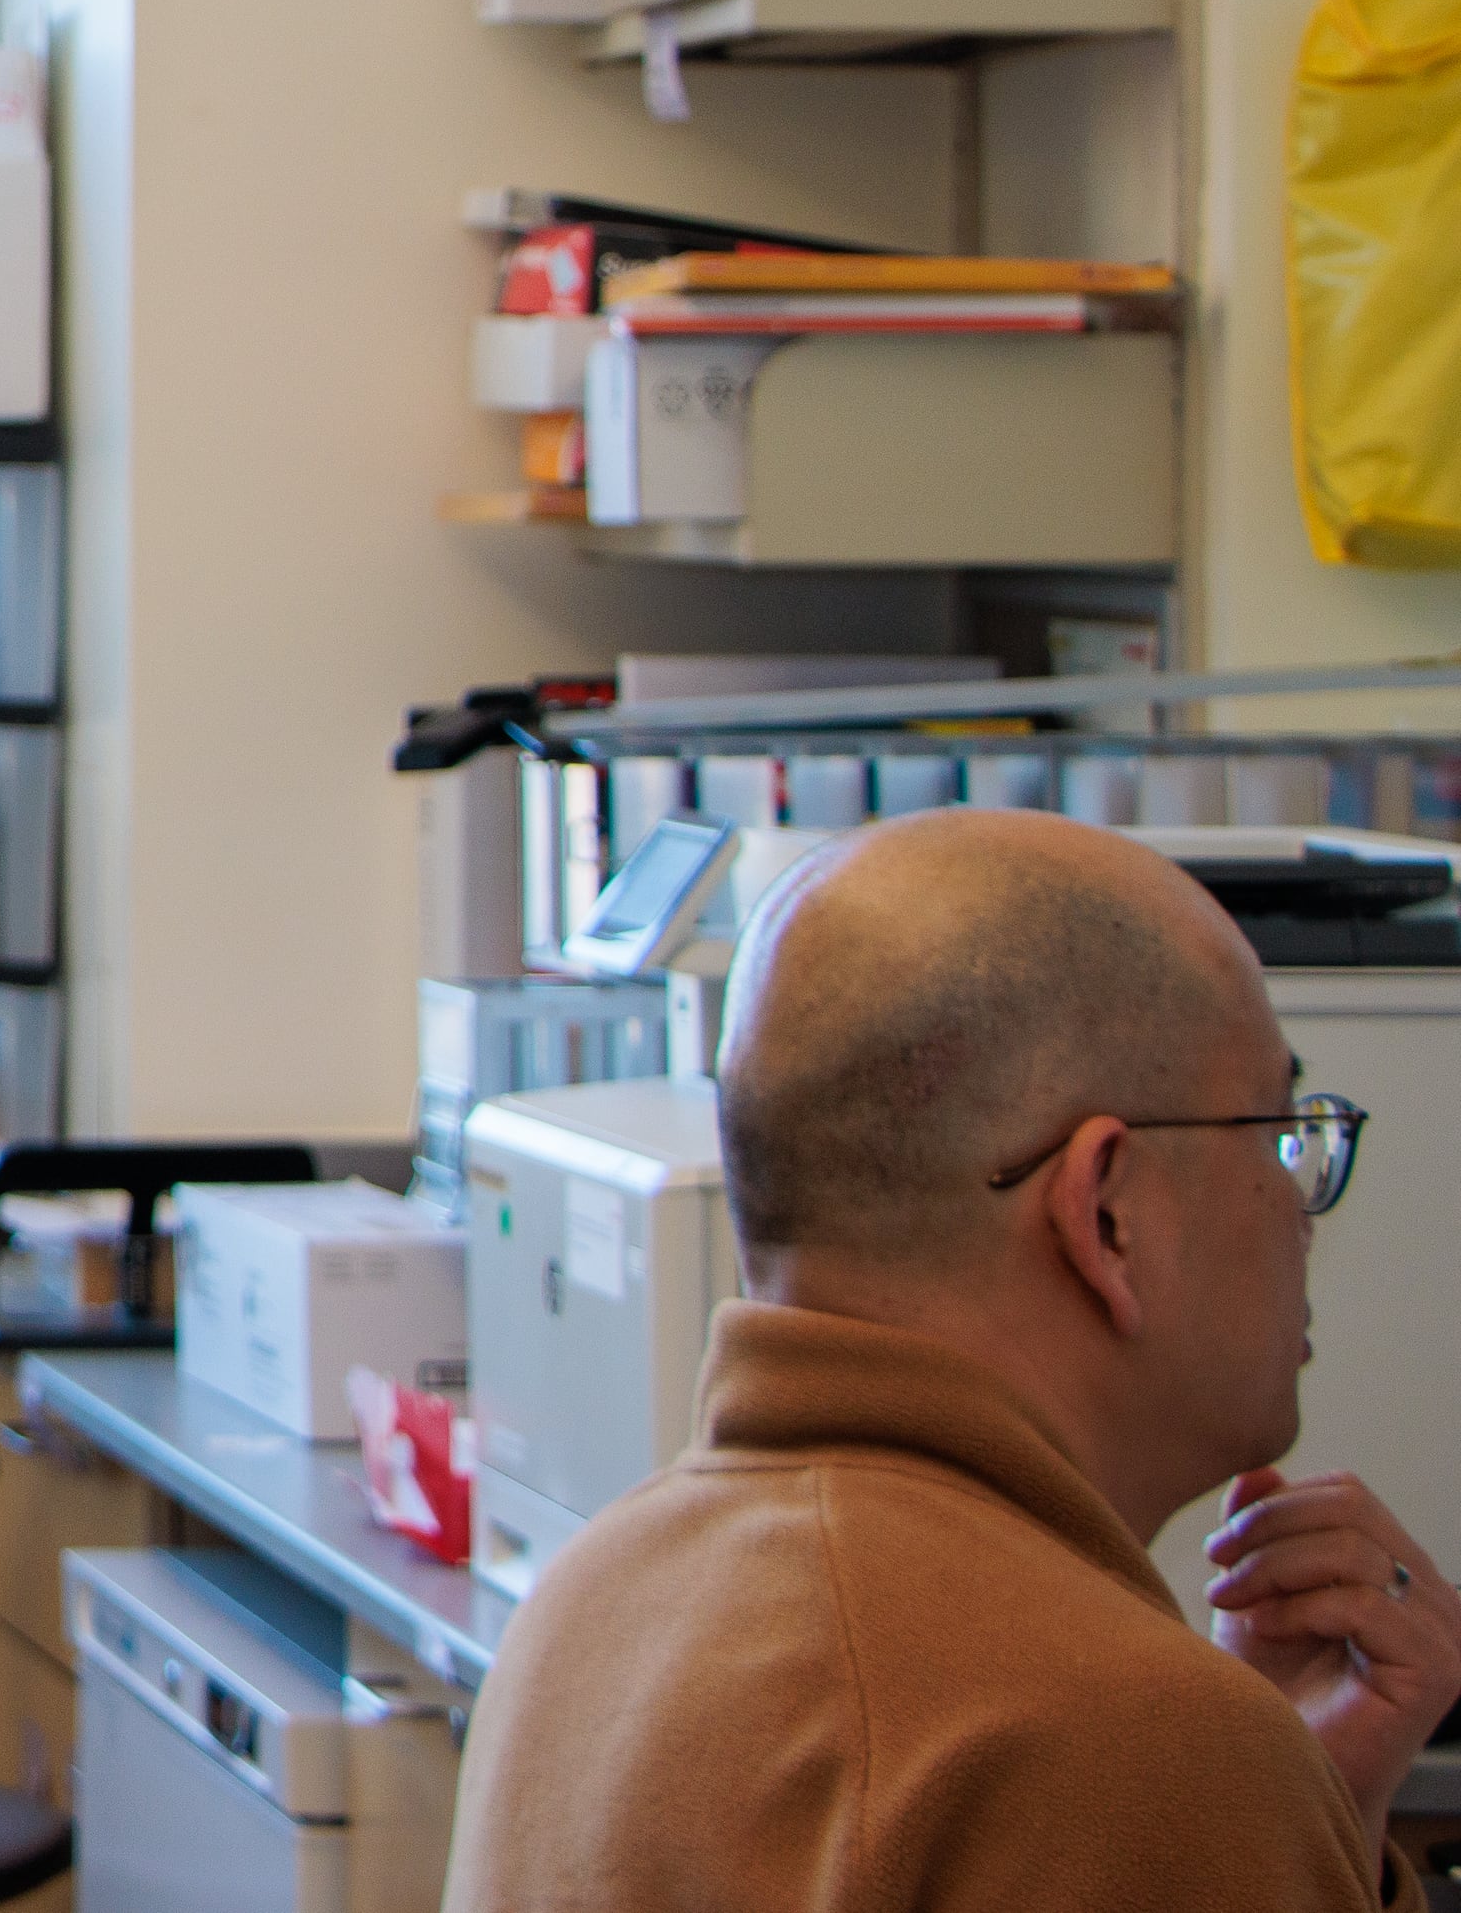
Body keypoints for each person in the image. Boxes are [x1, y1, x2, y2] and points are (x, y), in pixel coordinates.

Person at [442, 810, 1461, 1909]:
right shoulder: (1119, 1739)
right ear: (1106, 1211)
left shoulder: (592, 1605)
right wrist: (1234, 1792)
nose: (1300, 1208)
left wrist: (1305, 1813)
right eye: (1273, 1132)